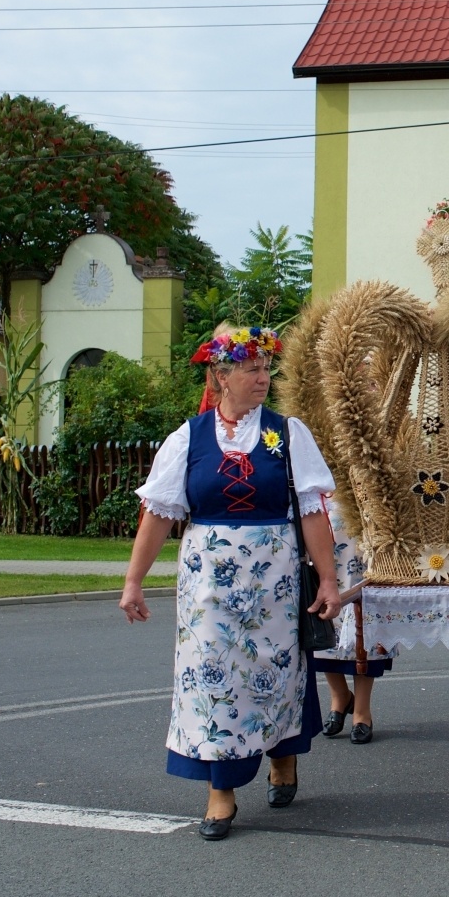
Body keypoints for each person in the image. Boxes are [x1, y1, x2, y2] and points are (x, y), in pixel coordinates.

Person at [120, 326, 342, 841]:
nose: (264, 378)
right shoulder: (188, 437)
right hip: (208, 584)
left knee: (276, 670)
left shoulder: (289, 433)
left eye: (267, 369)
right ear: (221, 376)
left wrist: (327, 580)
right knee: (212, 675)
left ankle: (282, 754)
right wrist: (134, 581)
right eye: (252, 370)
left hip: (276, 580)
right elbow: (157, 515)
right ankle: (220, 790)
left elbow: (312, 511)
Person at [314, 498, 396, 745]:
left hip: (362, 557)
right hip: (319, 554)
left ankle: (361, 711)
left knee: (364, 630)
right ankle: (339, 696)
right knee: (321, 630)